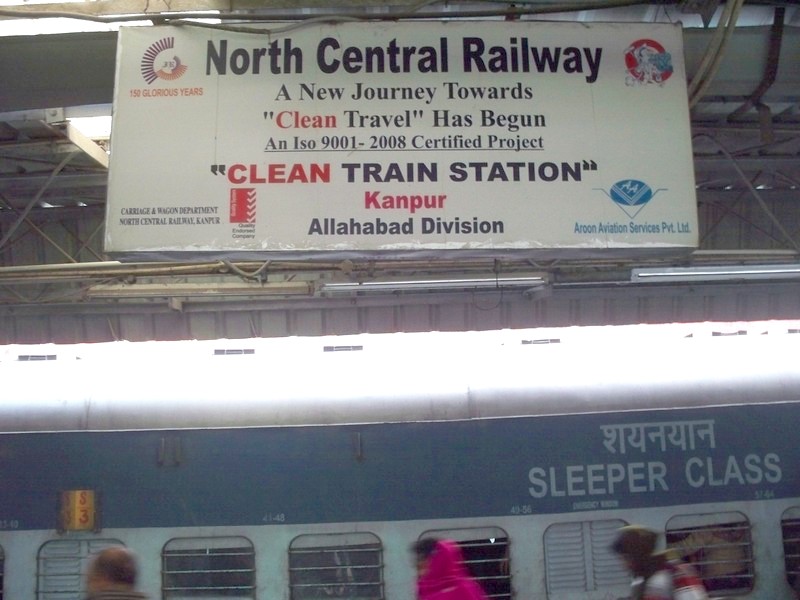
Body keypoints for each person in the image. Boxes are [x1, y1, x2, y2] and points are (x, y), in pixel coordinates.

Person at [611, 525, 708, 600]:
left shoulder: (677, 574)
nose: (624, 565)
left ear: (639, 554)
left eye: (626, 558)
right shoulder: (640, 581)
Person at [412, 538, 488, 600]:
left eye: (423, 566)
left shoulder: (462, 590)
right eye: (418, 567)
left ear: (437, 562)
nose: (421, 573)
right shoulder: (425, 588)